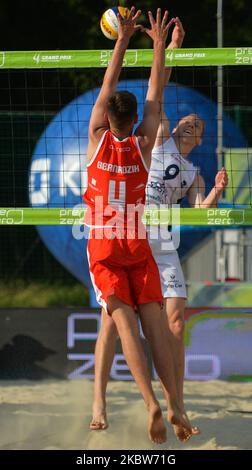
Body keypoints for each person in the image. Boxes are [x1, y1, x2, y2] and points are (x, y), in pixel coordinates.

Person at [89, 15, 228, 442]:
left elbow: (124, 89)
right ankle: (116, 401)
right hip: (139, 236)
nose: (190, 123)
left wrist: (129, 39)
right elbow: (156, 90)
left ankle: (167, 404)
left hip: (129, 240)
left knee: (151, 323)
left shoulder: (100, 134)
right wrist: (165, 45)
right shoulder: (153, 140)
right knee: (129, 323)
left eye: (197, 125)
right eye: (187, 121)